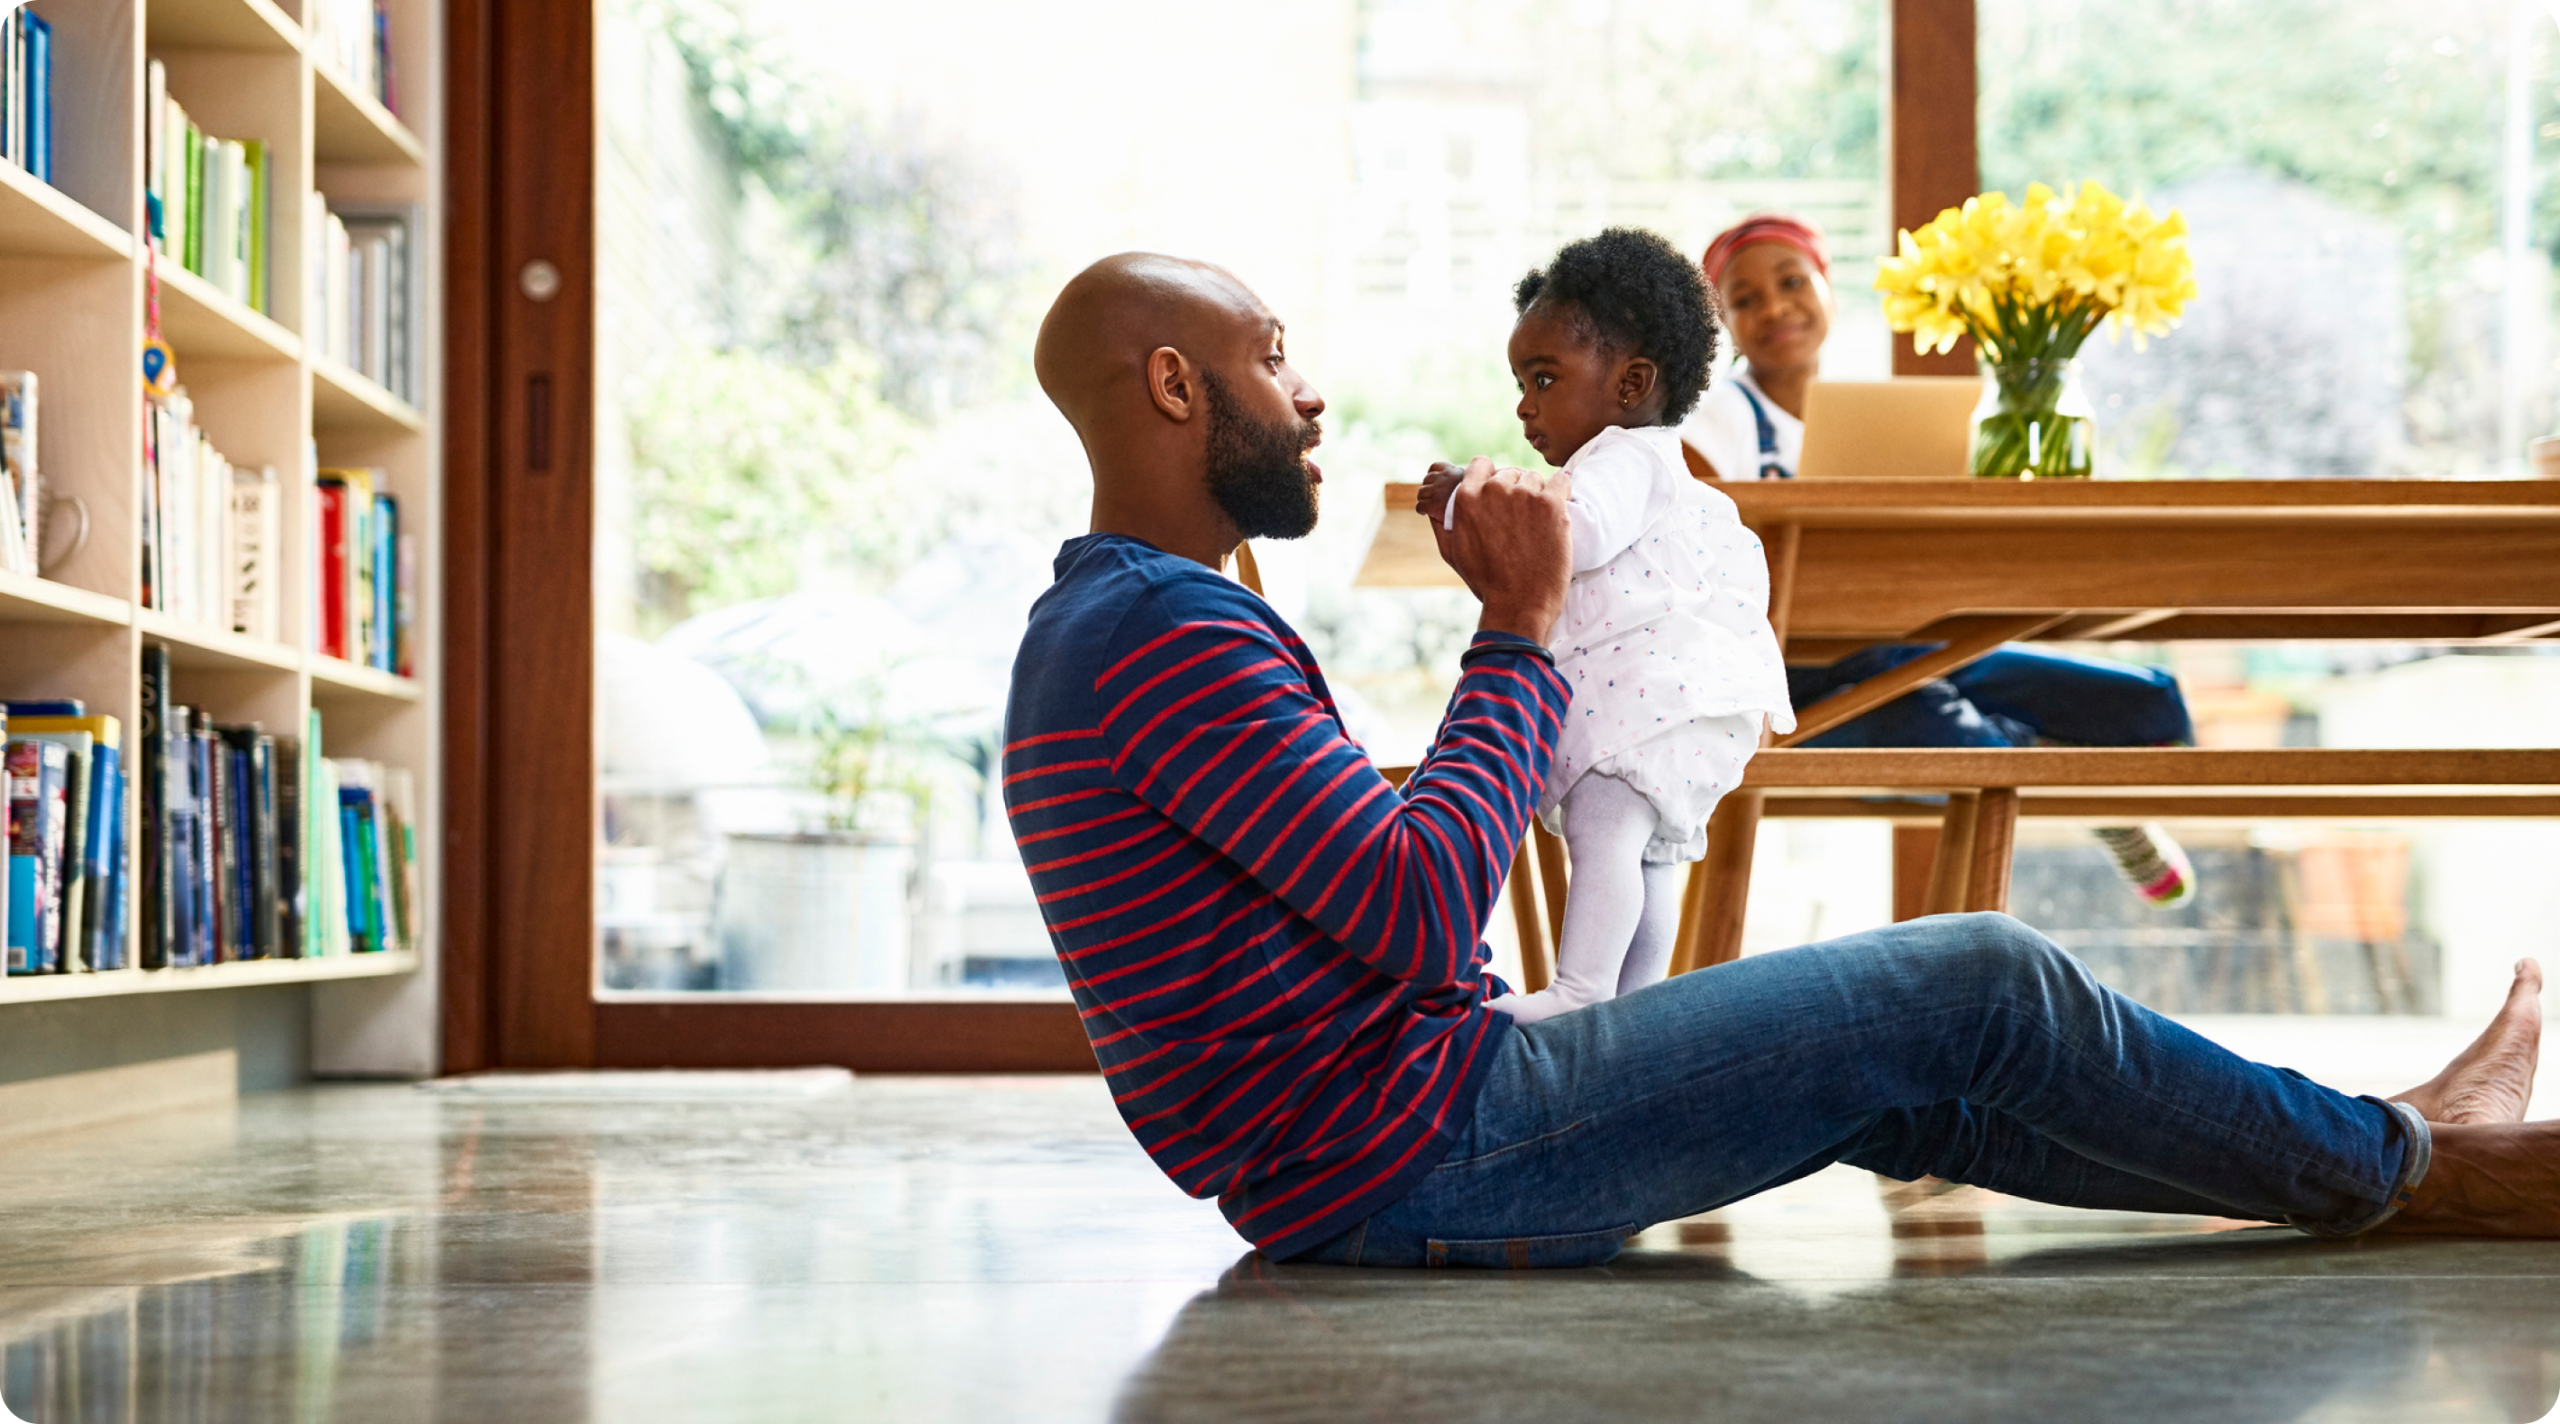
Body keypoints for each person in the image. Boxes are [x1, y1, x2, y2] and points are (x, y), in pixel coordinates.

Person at [1004, 249, 2560, 1270]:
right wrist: (1525, 626)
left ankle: (2367, 1154)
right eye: (1277, 359)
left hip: (1374, 1156)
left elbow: (1379, 889)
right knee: (1978, 981)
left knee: (1925, 1082)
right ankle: (2423, 1162)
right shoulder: (1164, 633)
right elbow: (1423, 907)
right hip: (1423, 1149)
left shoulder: (1125, 625)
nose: (1315, 392)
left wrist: (1516, 672)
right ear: (1174, 387)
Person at [1681, 213, 2199, 907]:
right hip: (1796, 679)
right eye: (1743, 299)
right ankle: (2084, 796)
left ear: (1829, 287)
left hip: (1905, 643)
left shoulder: (1889, 417)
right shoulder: (1715, 417)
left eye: (1791, 281)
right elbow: (1692, 551)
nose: (1774, 306)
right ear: (1724, 324)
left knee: (2148, 706)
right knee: (1942, 736)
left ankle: (2049, 769)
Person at [1414, 230, 1792, 1024]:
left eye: (1544, 378)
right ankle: (1633, 1011)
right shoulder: (1645, 459)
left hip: (1639, 709)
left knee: (1604, 836)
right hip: (1667, 710)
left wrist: (1467, 494)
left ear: (1632, 383)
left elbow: (1565, 539)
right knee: (1647, 857)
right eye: (1520, 382)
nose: (1524, 405)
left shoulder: (1622, 458)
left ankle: (1583, 989)